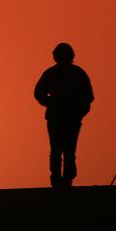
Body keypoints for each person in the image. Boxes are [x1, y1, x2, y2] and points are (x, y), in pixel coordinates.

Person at [33, 43, 94, 187]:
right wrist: (52, 103)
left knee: (60, 149)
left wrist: (52, 103)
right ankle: (63, 179)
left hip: (64, 117)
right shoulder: (76, 73)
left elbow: (88, 97)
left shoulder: (56, 73)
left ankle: (61, 180)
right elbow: (88, 97)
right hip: (62, 117)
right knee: (65, 149)